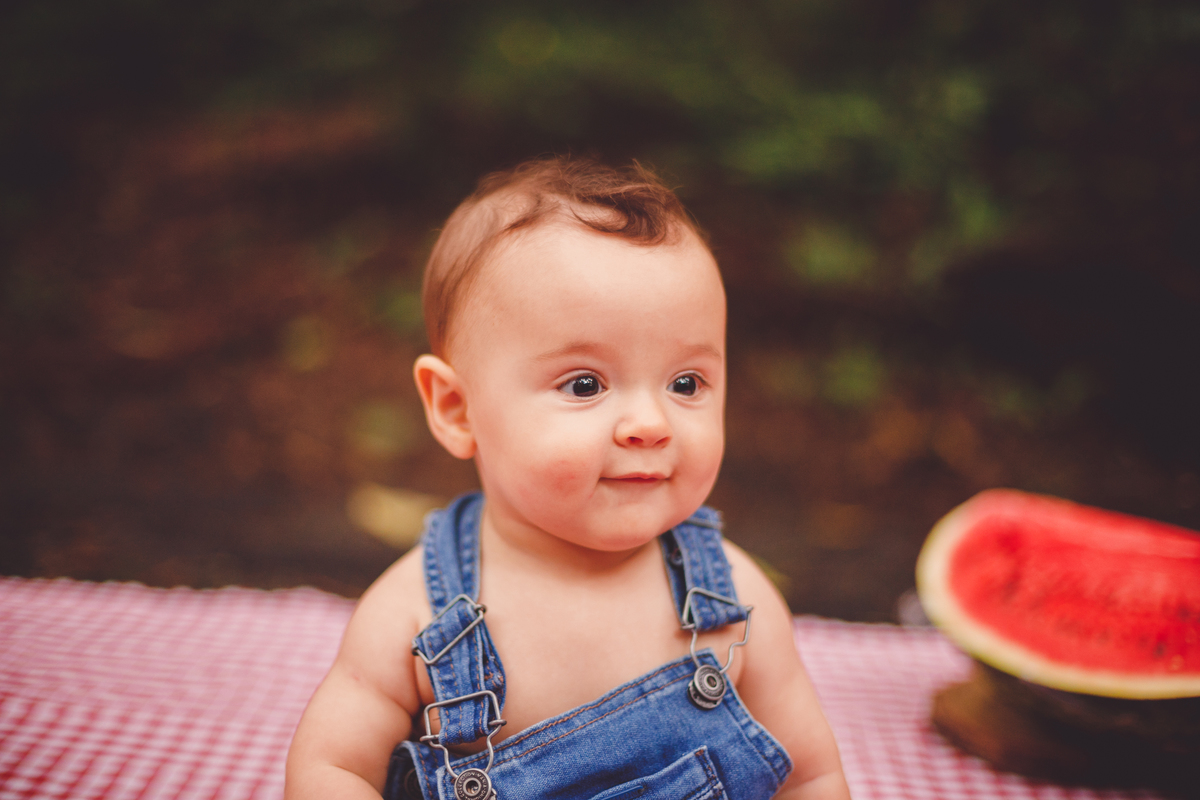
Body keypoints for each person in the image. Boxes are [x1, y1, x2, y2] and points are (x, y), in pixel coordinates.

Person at [285, 156, 851, 800]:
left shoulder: (735, 604)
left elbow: (809, 777)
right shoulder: (415, 615)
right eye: (585, 384)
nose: (650, 423)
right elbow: (333, 769)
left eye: (686, 383)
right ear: (457, 408)